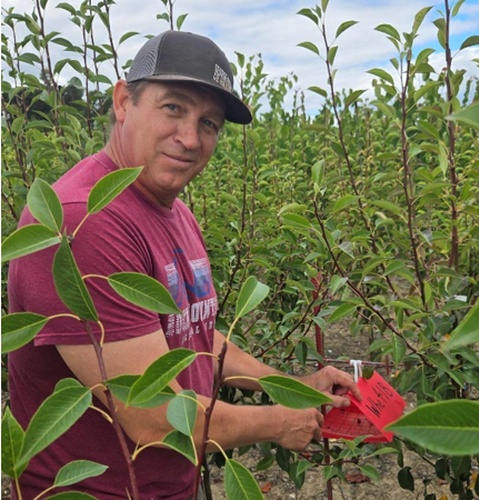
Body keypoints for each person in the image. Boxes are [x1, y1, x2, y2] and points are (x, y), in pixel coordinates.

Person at [7, 30, 362, 499]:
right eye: (173, 107)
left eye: (209, 123)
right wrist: (279, 422)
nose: (191, 138)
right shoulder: (83, 222)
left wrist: (296, 387)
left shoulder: (172, 210)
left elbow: (191, 336)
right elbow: (154, 414)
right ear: (122, 101)